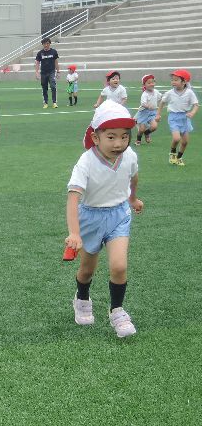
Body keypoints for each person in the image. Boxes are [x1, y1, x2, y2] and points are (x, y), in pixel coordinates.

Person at [65, 101, 143, 338]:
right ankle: (82, 298)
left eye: (124, 136)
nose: (118, 143)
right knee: (87, 270)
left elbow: (133, 177)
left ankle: (117, 310)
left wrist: (133, 199)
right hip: (91, 217)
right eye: (111, 137)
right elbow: (73, 198)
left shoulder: (129, 156)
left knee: (119, 266)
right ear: (95, 138)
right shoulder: (86, 162)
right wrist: (74, 232)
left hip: (119, 215)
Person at [157, 68, 198, 166]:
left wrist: (192, 113)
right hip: (173, 117)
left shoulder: (189, 92)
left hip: (185, 118)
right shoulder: (170, 93)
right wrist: (158, 114)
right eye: (172, 80)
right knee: (176, 139)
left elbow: (196, 105)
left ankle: (179, 157)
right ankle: (172, 153)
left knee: (185, 142)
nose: (173, 82)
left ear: (184, 82)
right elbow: (162, 102)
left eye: (176, 80)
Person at [134, 74, 161, 146]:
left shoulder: (156, 92)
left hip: (152, 112)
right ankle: (138, 139)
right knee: (141, 129)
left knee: (154, 126)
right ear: (144, 85)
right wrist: (148, 106)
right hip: (144, 113)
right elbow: (143, 103)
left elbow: (160, 98)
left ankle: (147, 133)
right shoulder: (145, 94)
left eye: (153, 82)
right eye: (149, 83)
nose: (151, 84)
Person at [35, 37, 59, 108]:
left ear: (50, 44)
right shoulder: (40, 53)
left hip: (51, 72)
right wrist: (37, 72)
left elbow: (56, 62)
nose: (46, 45)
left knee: (53, 86)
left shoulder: (54, 52)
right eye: (44, 44)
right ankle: (45, 103)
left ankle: (54, 102)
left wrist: (58, 71)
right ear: (42, 44)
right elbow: (37, 63)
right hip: (43, 73)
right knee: (44, 88)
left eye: (47, 43)